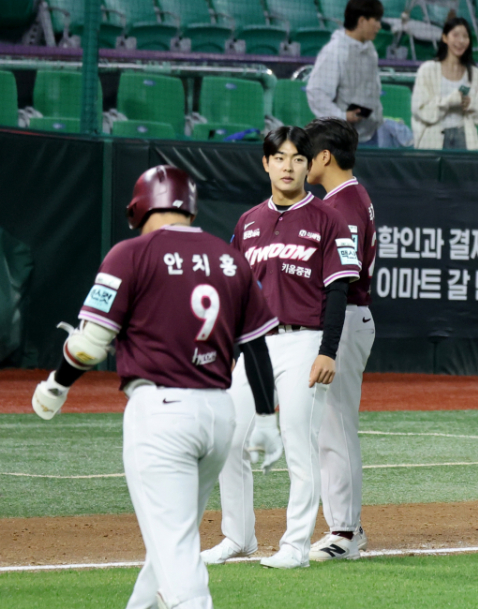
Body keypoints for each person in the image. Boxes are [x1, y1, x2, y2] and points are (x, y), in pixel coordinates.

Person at [31, 166, 278, 608]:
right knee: (170, 544)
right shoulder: (229, 258)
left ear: (138, 207)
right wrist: (264, 417)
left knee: (176, 551)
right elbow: (256, 345)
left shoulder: (130, 254)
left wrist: (56, 384)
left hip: (161, 414)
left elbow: (88, 345)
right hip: (220, 415)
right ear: (192, 208)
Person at [202, 127, 361, 569]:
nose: (287, 166)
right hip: (255, 347)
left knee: (298, 441)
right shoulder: (248, 221)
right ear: (265, 163)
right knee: (229, 438)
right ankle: (239, 536)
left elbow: (338, 292)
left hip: (306, 342)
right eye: (279, 158)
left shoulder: (329, 218)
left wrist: (328, 350)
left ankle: (295, 545)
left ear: (309, 165)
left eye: (296, 158)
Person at [304, 118, 378, 562]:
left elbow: (343, 278)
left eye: (305, 153)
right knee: (327, 429)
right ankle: (345, 524)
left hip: (345, 318)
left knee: (336, 428)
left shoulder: (344, 203)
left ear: (325, 156)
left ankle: (345, 532)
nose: (299, 162)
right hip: (345, 319)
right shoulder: (347, 197)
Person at [308, 0, 404, 148]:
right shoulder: (335, 51)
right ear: (362, 21)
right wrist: (342, 117)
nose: (379, 26)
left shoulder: (370, 50)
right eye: (376, 20)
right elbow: (316, 92)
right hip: (340, 140)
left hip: (370, 135)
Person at [411, 16, 478, 150]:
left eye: (465, 36)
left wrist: (471, 103)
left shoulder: (474, 73)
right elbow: (420, 109)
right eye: (455, 35)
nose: (461, 41)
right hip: (433, 140)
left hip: (464, 138)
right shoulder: (427, 69)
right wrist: (448, 102)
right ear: (445, 38)